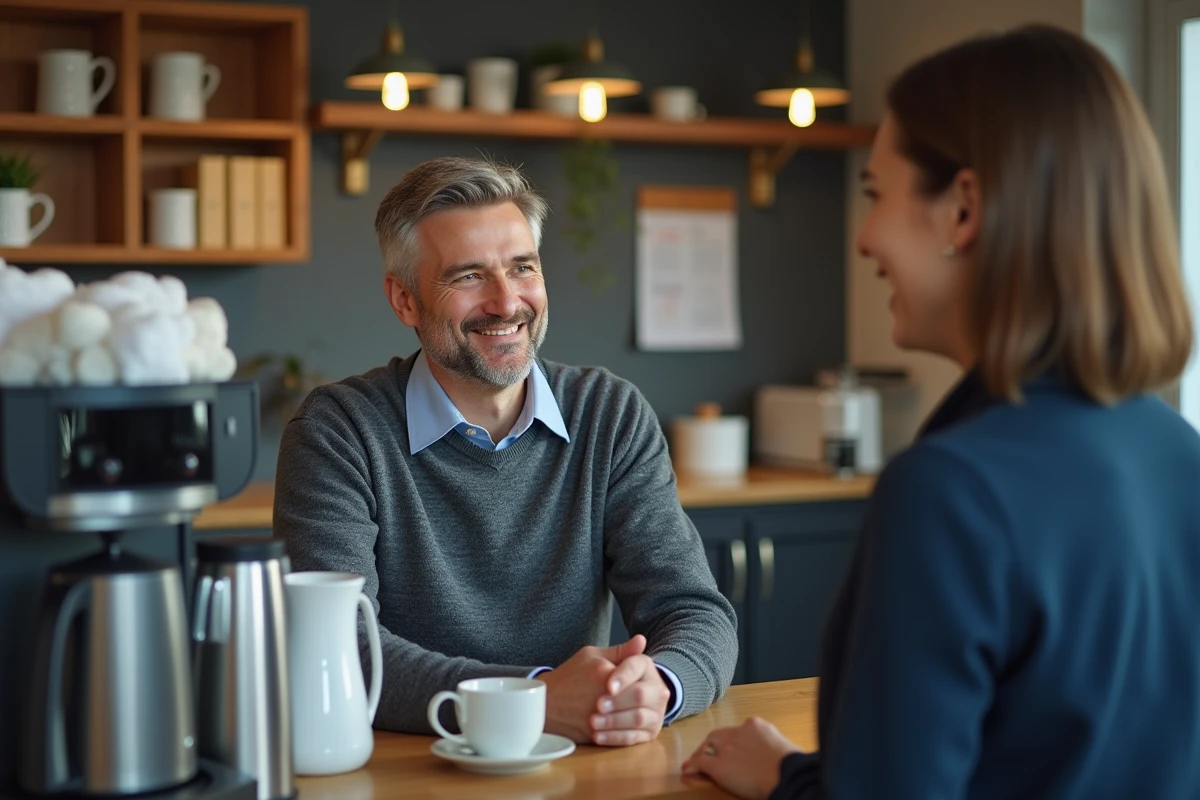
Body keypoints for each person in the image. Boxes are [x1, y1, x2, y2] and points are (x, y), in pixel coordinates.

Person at [683, 24, 1200, 799]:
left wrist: (794, 786)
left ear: (964, 209)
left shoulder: (950, 492)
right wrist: (796, 774)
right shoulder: (1177, 452)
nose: (865, 239)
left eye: (876, 194)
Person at [275, 156, 737, 746]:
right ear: (405, 300)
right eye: (468, 276)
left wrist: (658, 687)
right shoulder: (337, 431)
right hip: (412, 770)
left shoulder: (610, 414)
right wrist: (535, 699)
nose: (505, 301)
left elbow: (695, 612)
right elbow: (337, 649)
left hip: (579, 761)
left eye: (523, 268)